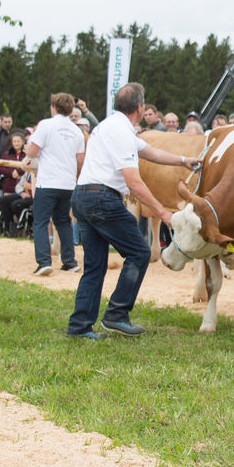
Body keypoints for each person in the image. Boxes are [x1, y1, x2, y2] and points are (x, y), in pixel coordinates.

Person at [63, 83, 196, 339]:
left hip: (84, 196)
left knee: (94, 266)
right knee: (139, 252)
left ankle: (79, 327)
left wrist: (183, 160)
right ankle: (116, 314)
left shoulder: (109, 126)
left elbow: (152, 153)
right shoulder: (121, 132)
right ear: (140, 108)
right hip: (102, 199)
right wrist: (163, 213)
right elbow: (134, 182)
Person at [25, 93, 84, 275]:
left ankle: (44, 262)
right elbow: (80, 161)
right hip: (67, 183)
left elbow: (32, 152)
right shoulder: (77, 131)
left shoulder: (46, 125)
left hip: (48, 181)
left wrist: (28, 147)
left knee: (41, 221)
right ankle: (69, 261)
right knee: (63, 222)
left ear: (53, 107)